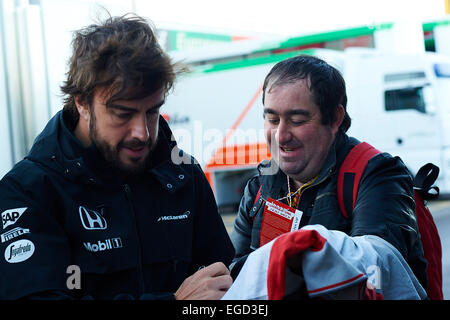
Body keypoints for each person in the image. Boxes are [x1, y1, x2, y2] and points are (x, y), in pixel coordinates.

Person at [0, 14, 234, 300]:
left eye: (152, 112)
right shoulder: (29, 192)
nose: (143, 133)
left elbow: (225, 282)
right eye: (123, 113)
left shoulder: (183, 177)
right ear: (83, 103)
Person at [230, 54, 428, 292]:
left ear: (335, 118)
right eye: (272, 119)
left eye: (297, 120)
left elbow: (374, 277)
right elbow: (232, 273)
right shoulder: (259, 187)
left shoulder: (378, 175)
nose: (281, 136)